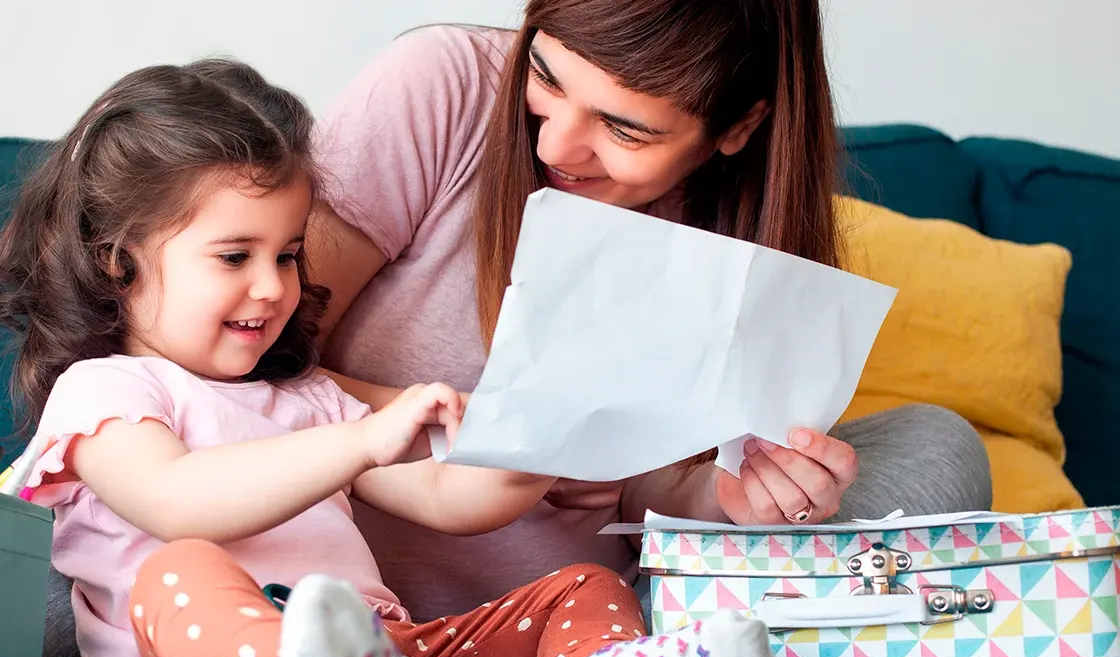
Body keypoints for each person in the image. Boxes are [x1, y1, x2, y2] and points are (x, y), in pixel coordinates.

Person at [0, 58, 777, 657]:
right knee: (179, 570)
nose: (274, 286)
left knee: (579, 585)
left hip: (391, 654)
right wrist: (362, 444)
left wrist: (554, 423)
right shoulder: (103, 393)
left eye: (288, 254)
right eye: (235, 256)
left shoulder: (308, 398)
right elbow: (177, 501)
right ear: (117, 263)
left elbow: (449, 494)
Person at [307, 0, 994, 624]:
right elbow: (239, 366)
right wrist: (466, 425)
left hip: (602, 618)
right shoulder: (439, 89)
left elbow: (643, 496)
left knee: (935, 443)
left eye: (623, 128)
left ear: (739, 126)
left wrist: (735, 498)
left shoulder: (735, 224)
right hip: (356, 605)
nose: (553, 146)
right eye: (545, 76)